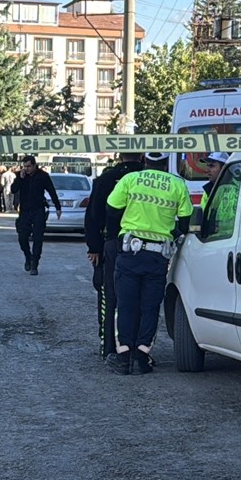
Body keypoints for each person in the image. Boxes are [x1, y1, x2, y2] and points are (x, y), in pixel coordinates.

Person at [104, 151, 192, 375]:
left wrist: (118, 232)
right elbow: (185, 221)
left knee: (125, 305)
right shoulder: (177, 184)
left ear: (145, 161)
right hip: (157, 256)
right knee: (150, 307)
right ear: (165, 163)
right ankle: (142, 356)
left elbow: (111, 209)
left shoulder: (130, 180)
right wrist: (170, 233)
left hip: (129, 253)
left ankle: (124, 357)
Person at [84, 153, 145, 359]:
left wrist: (94, 247)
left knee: (109, 296)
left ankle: (109, 345)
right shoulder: (148, 179)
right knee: (139, 298)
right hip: (144, 244)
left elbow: (93, 215)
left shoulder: (105, 179)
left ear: (119, 157)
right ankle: (135, 347)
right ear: (142, 156)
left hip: (111, 243)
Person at [10, 155, 61, 275]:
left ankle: (35, 264)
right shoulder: (21, 175)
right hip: (25, 211)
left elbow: (51, 191)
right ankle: (28, 256)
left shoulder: (42, 176)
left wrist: (58, 207)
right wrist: (20, 179)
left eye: (28, 166)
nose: (26, 169)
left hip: (38, 210)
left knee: (38, 238)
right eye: (24, 166)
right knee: (22, 237)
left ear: (34, 165)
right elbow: (13, 190)